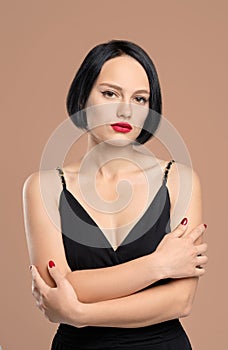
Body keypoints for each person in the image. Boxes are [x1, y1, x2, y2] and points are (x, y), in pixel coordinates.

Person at [22, 39, 208, 350]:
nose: (125, 110)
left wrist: (80, 312)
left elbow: (180, 300)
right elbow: (59, 286)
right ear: (83, 96)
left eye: (139, 99)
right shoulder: (43, 187)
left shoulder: (178, 179)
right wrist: (157, 266)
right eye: (110, 93)